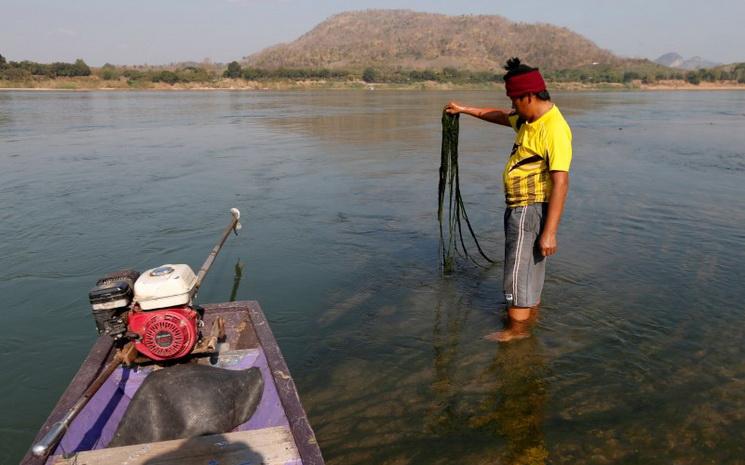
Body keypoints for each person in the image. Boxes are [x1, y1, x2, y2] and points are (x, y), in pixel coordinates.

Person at [444, 57, 572, 342]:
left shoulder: (554, 128)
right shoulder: (530, 120)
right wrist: (464, 110)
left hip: (529, 209)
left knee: (516, 271)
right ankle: (530, 320)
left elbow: (561, 182)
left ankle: (516, 334)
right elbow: (500, 116)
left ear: (529, 96)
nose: (512, 106)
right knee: (529, 269)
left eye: (515, 100)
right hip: (523, 208)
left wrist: (550, 233)